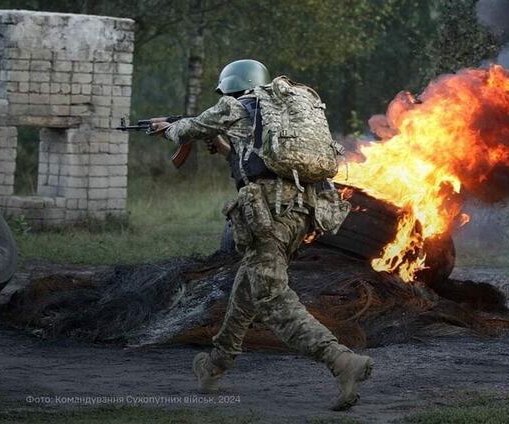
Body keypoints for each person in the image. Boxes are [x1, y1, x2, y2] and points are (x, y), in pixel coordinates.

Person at [152, 59, 373, 411]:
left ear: (230, 86)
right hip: (303, 213)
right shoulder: (276, 112)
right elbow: (256, 165)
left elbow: (186, 130)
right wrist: (226, 149)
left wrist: (167, 128)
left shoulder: (234, 106)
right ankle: (216, 365)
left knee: (271, 298)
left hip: (269, 215)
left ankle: (341, 361)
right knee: (248, 287)